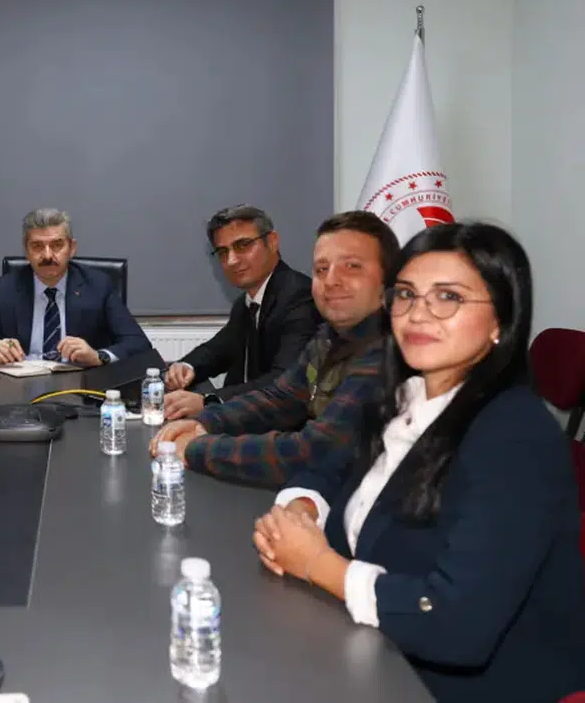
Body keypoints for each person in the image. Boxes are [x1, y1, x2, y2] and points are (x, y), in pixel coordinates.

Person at [254, 222, 585, 701]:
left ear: (500, 321)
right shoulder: (402, 397)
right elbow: (328, 468)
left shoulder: (516, 437)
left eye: (448, 297)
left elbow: (457, 623)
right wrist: (301, 510)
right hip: (372, 649)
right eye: (406, 294)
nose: (418, 313)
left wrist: (317, 564)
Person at [150, 211, 400, 487]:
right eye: (321, 269)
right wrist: (206, 422)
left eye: (352, 266)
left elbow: (313, 452)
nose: (331, 281)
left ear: (388, 279)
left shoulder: (389, 349)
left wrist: (197, 447)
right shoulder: (330, 336)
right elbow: (282, 397)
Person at [164, 205, 322, 421]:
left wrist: (209, 401)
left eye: (243, 245)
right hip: (246, 419)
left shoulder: (300, 297)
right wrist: (186, 366)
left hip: (283, 427)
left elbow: (283, 380)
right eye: (223, 252)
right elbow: (217, 350)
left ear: (272, 242)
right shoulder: (246, 303)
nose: (232, 260)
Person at [0, 208, 150, 368]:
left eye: (57, 245)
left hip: (82, 387)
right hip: (19, 390)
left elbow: (139, 344)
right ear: (26, 251)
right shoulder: (4, 289)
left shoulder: (98, 286)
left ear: (72, 248)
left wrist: (98, 356)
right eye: (37, 246)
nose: (47, 255)